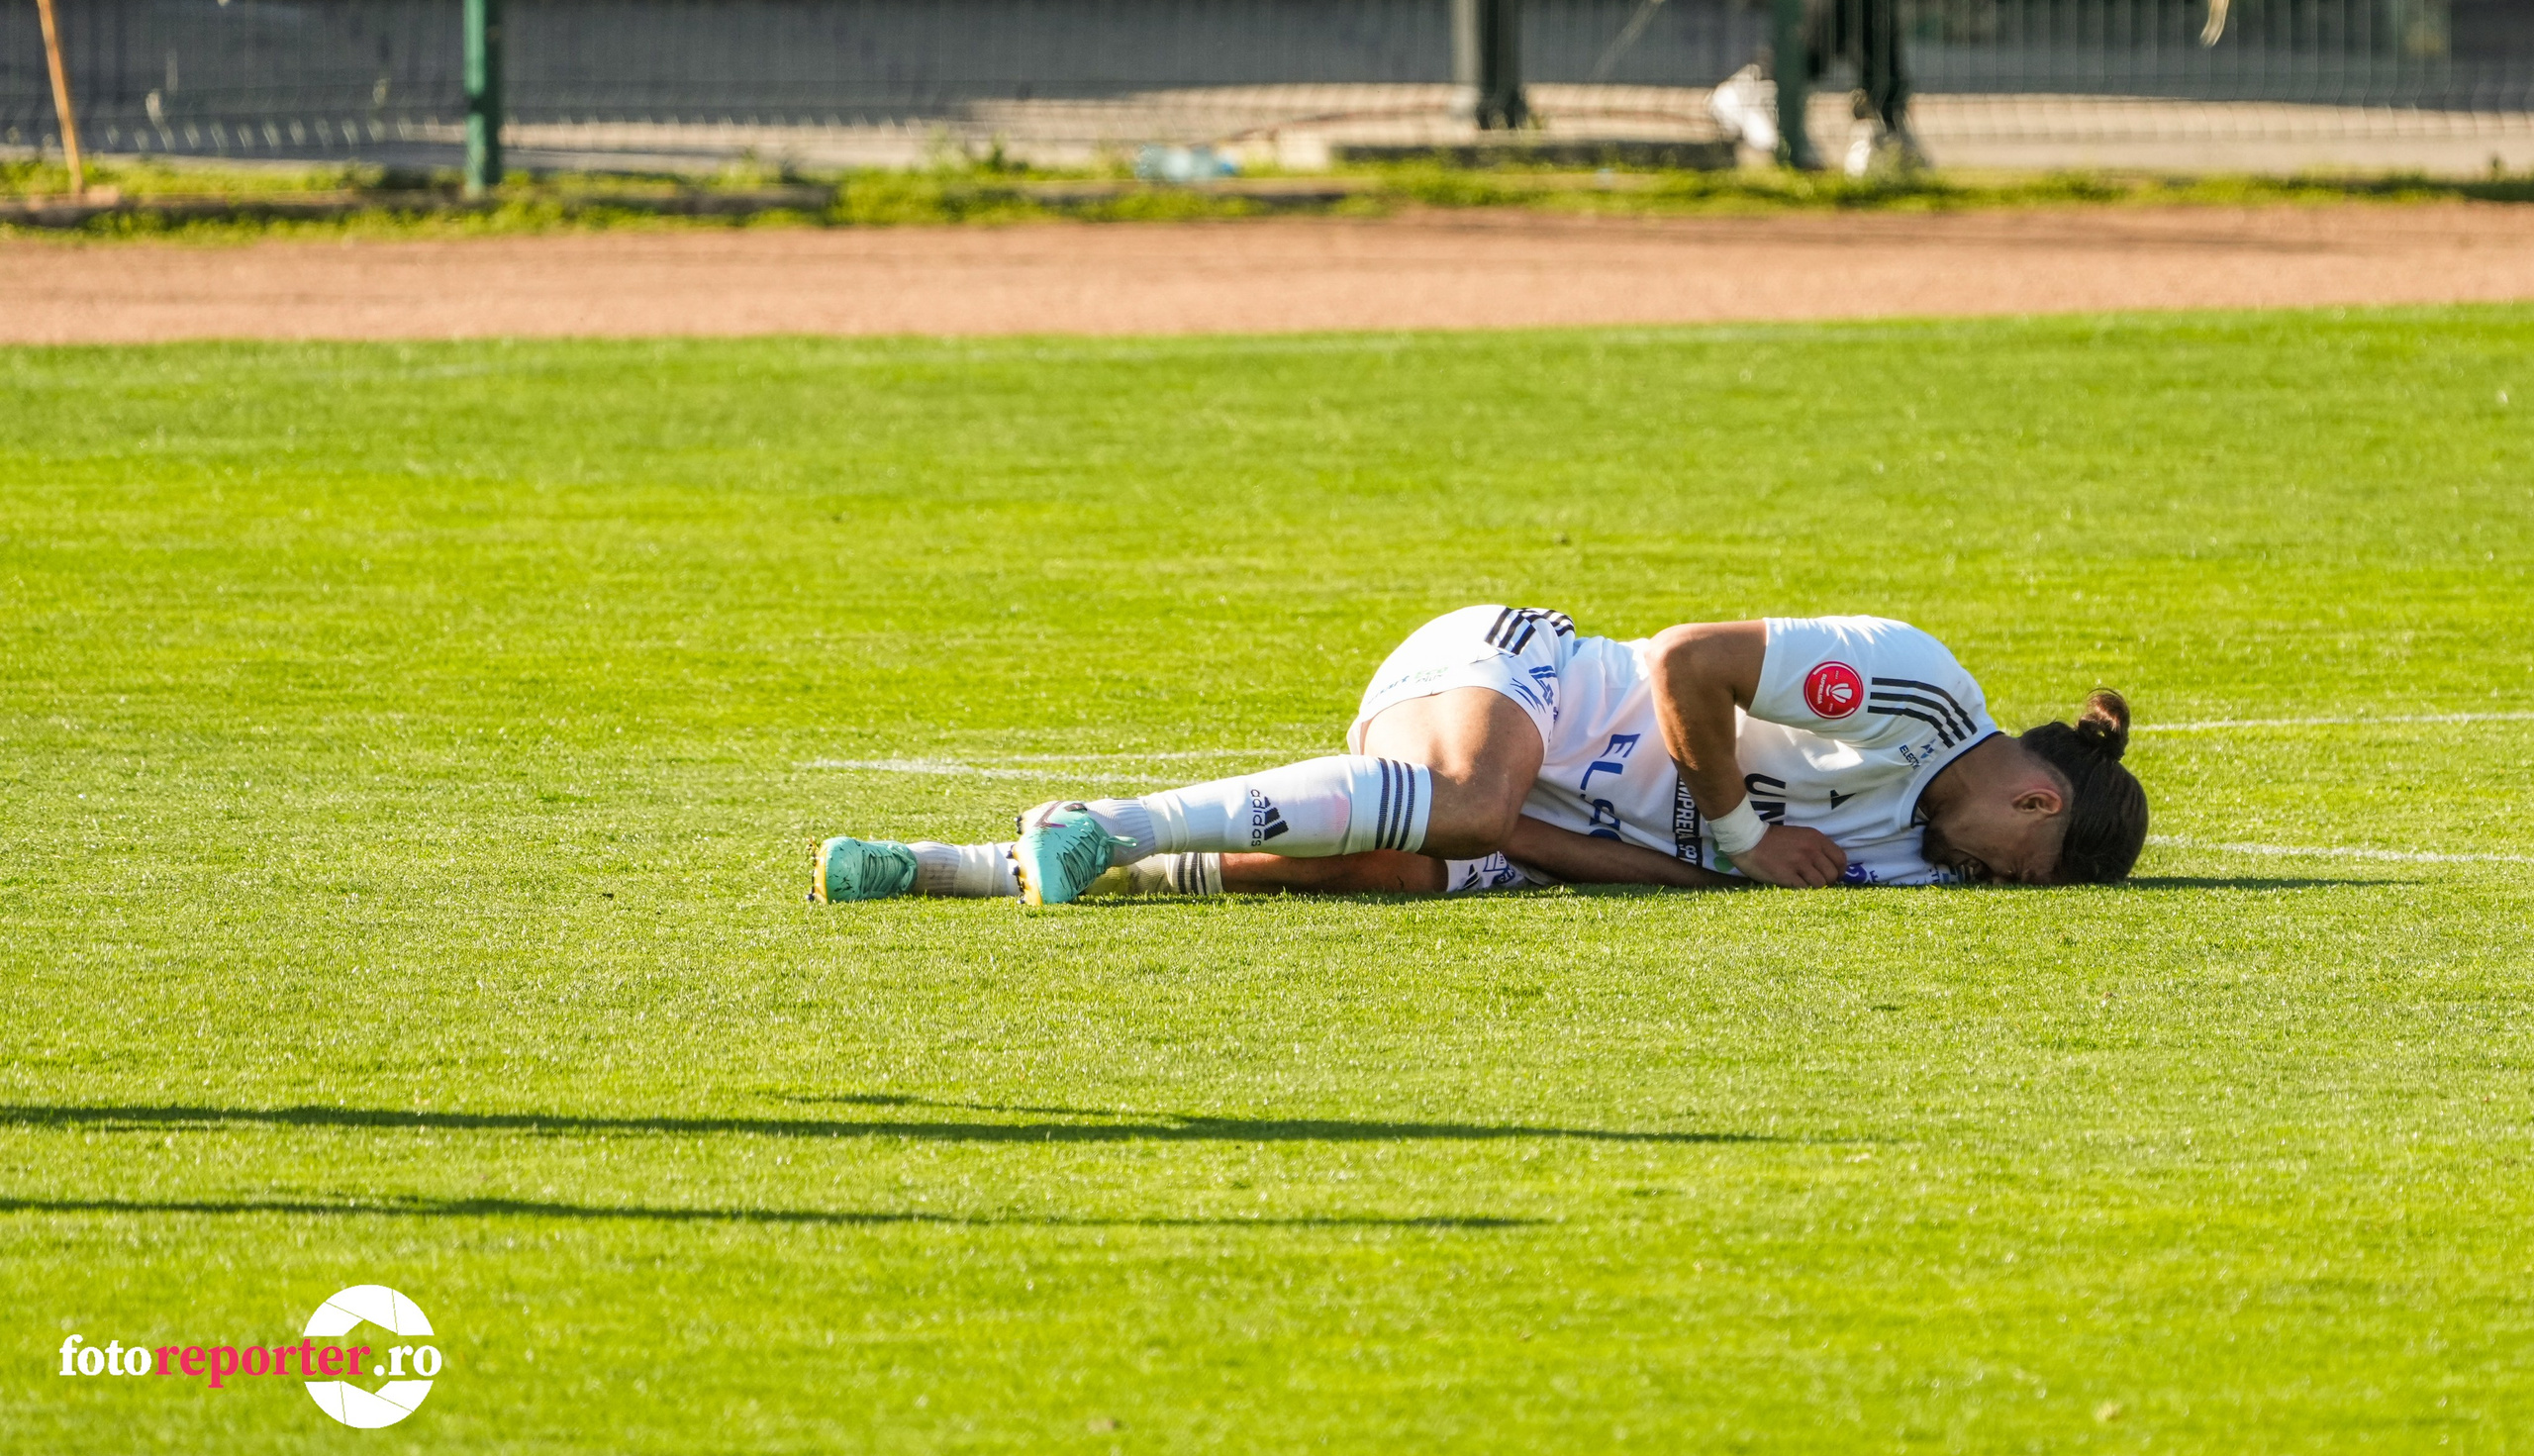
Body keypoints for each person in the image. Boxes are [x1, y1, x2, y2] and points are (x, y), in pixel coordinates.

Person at [810, 607, 2149, 905]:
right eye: (2021, 868)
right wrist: (1741, 839)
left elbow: (1604, 859)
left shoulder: (1911, 873)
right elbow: (1687, 661)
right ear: (2038, 796)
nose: (1992, 887)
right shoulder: (1920, 693)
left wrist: (1701, 877)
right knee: (1464, 800)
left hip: (1521, 817)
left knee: (1406, 864)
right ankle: (1109, 818)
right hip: (1526, 679)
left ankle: (944, 869)